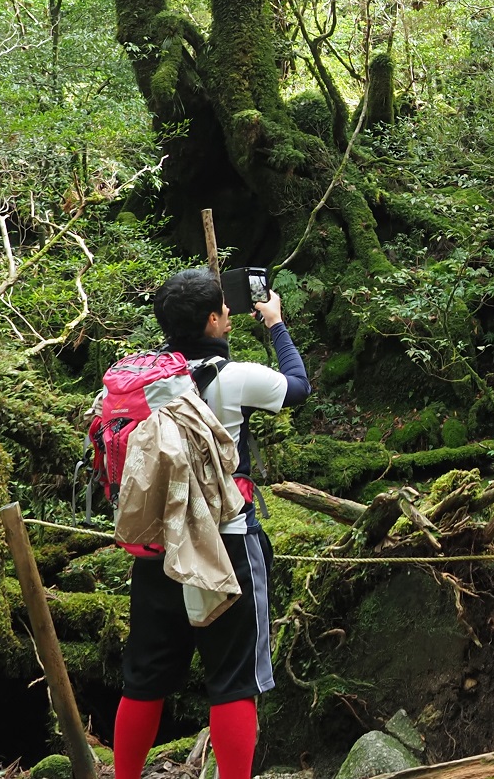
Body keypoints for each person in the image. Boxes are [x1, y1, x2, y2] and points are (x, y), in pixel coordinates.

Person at [114, 269, 310, 779]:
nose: (228, 315)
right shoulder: (236, 377)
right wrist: (276, 325)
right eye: (224, 310)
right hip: (225, 542)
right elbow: (298, 386)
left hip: (157, 542)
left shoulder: (146, 382)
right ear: (213, 320)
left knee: (145, 680)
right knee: (233, 679)